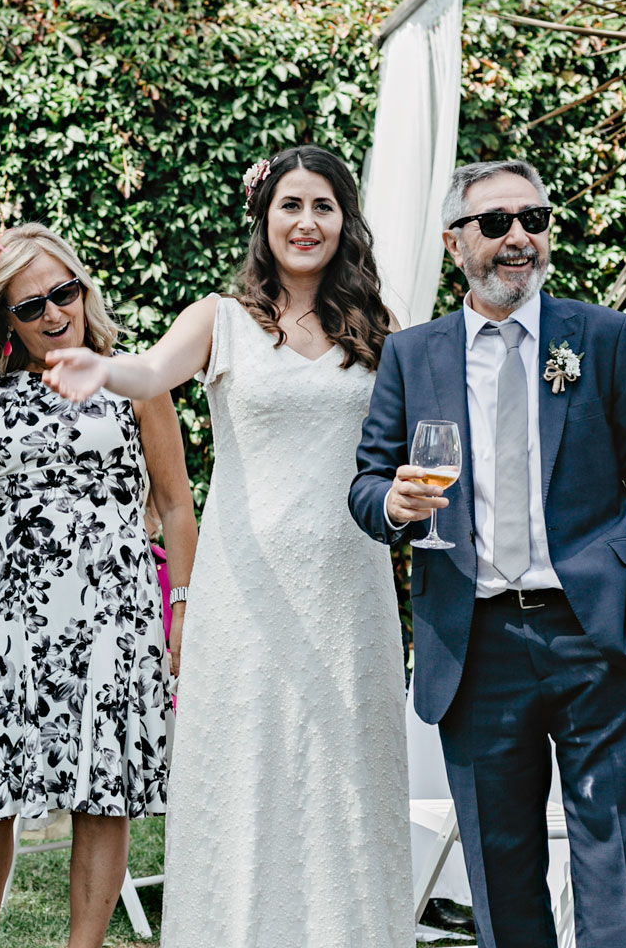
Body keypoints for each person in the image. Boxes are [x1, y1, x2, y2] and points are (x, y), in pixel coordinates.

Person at [44, 146, 412, 946]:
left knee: (346, 784)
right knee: (247, 781)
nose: (306, 222)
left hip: (352, 589)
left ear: (345, 221)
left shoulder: (383, 331)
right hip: (245, 594)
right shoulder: (222, 320)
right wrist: (98, 368)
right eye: (290, 205)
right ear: (263, 217)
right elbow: (149, 373)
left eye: (323, 206)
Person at [349, 159, 626, 948]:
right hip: (475, 645)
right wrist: (393, 504)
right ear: (455, 242)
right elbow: (367, 483)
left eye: (532, 219)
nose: (518, 239)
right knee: (500, 873)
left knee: (617, 868)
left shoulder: (599, 337)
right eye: (495, 224)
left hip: (594, 633)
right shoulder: (413, 355)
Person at [0, 221, 197, 948]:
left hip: (117, 614)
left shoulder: (135, 380)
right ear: (6, 322)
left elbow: (177, 503)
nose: (55, 314)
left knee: (104, 790)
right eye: (31, 306)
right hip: (18, 616)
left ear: (85, 291)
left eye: (65, 293)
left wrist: (182, 606)